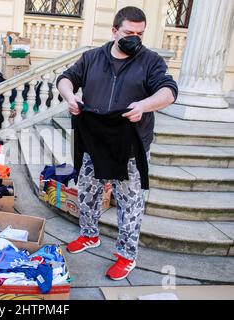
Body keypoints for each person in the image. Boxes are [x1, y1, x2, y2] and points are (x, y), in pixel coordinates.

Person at [57, 6, 178, 281]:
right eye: (128, 33)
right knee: (87, 191)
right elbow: (65, 79)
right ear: (114, 31)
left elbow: (169, 91)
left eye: (140, 34)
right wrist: (70, 97)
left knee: (130, 202)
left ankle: (126, 255)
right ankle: (89, 235)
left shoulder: (151, 61)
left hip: (131, 146)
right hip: (95, 141)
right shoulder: (92, 58)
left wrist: (145, 105)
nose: (134, 38)